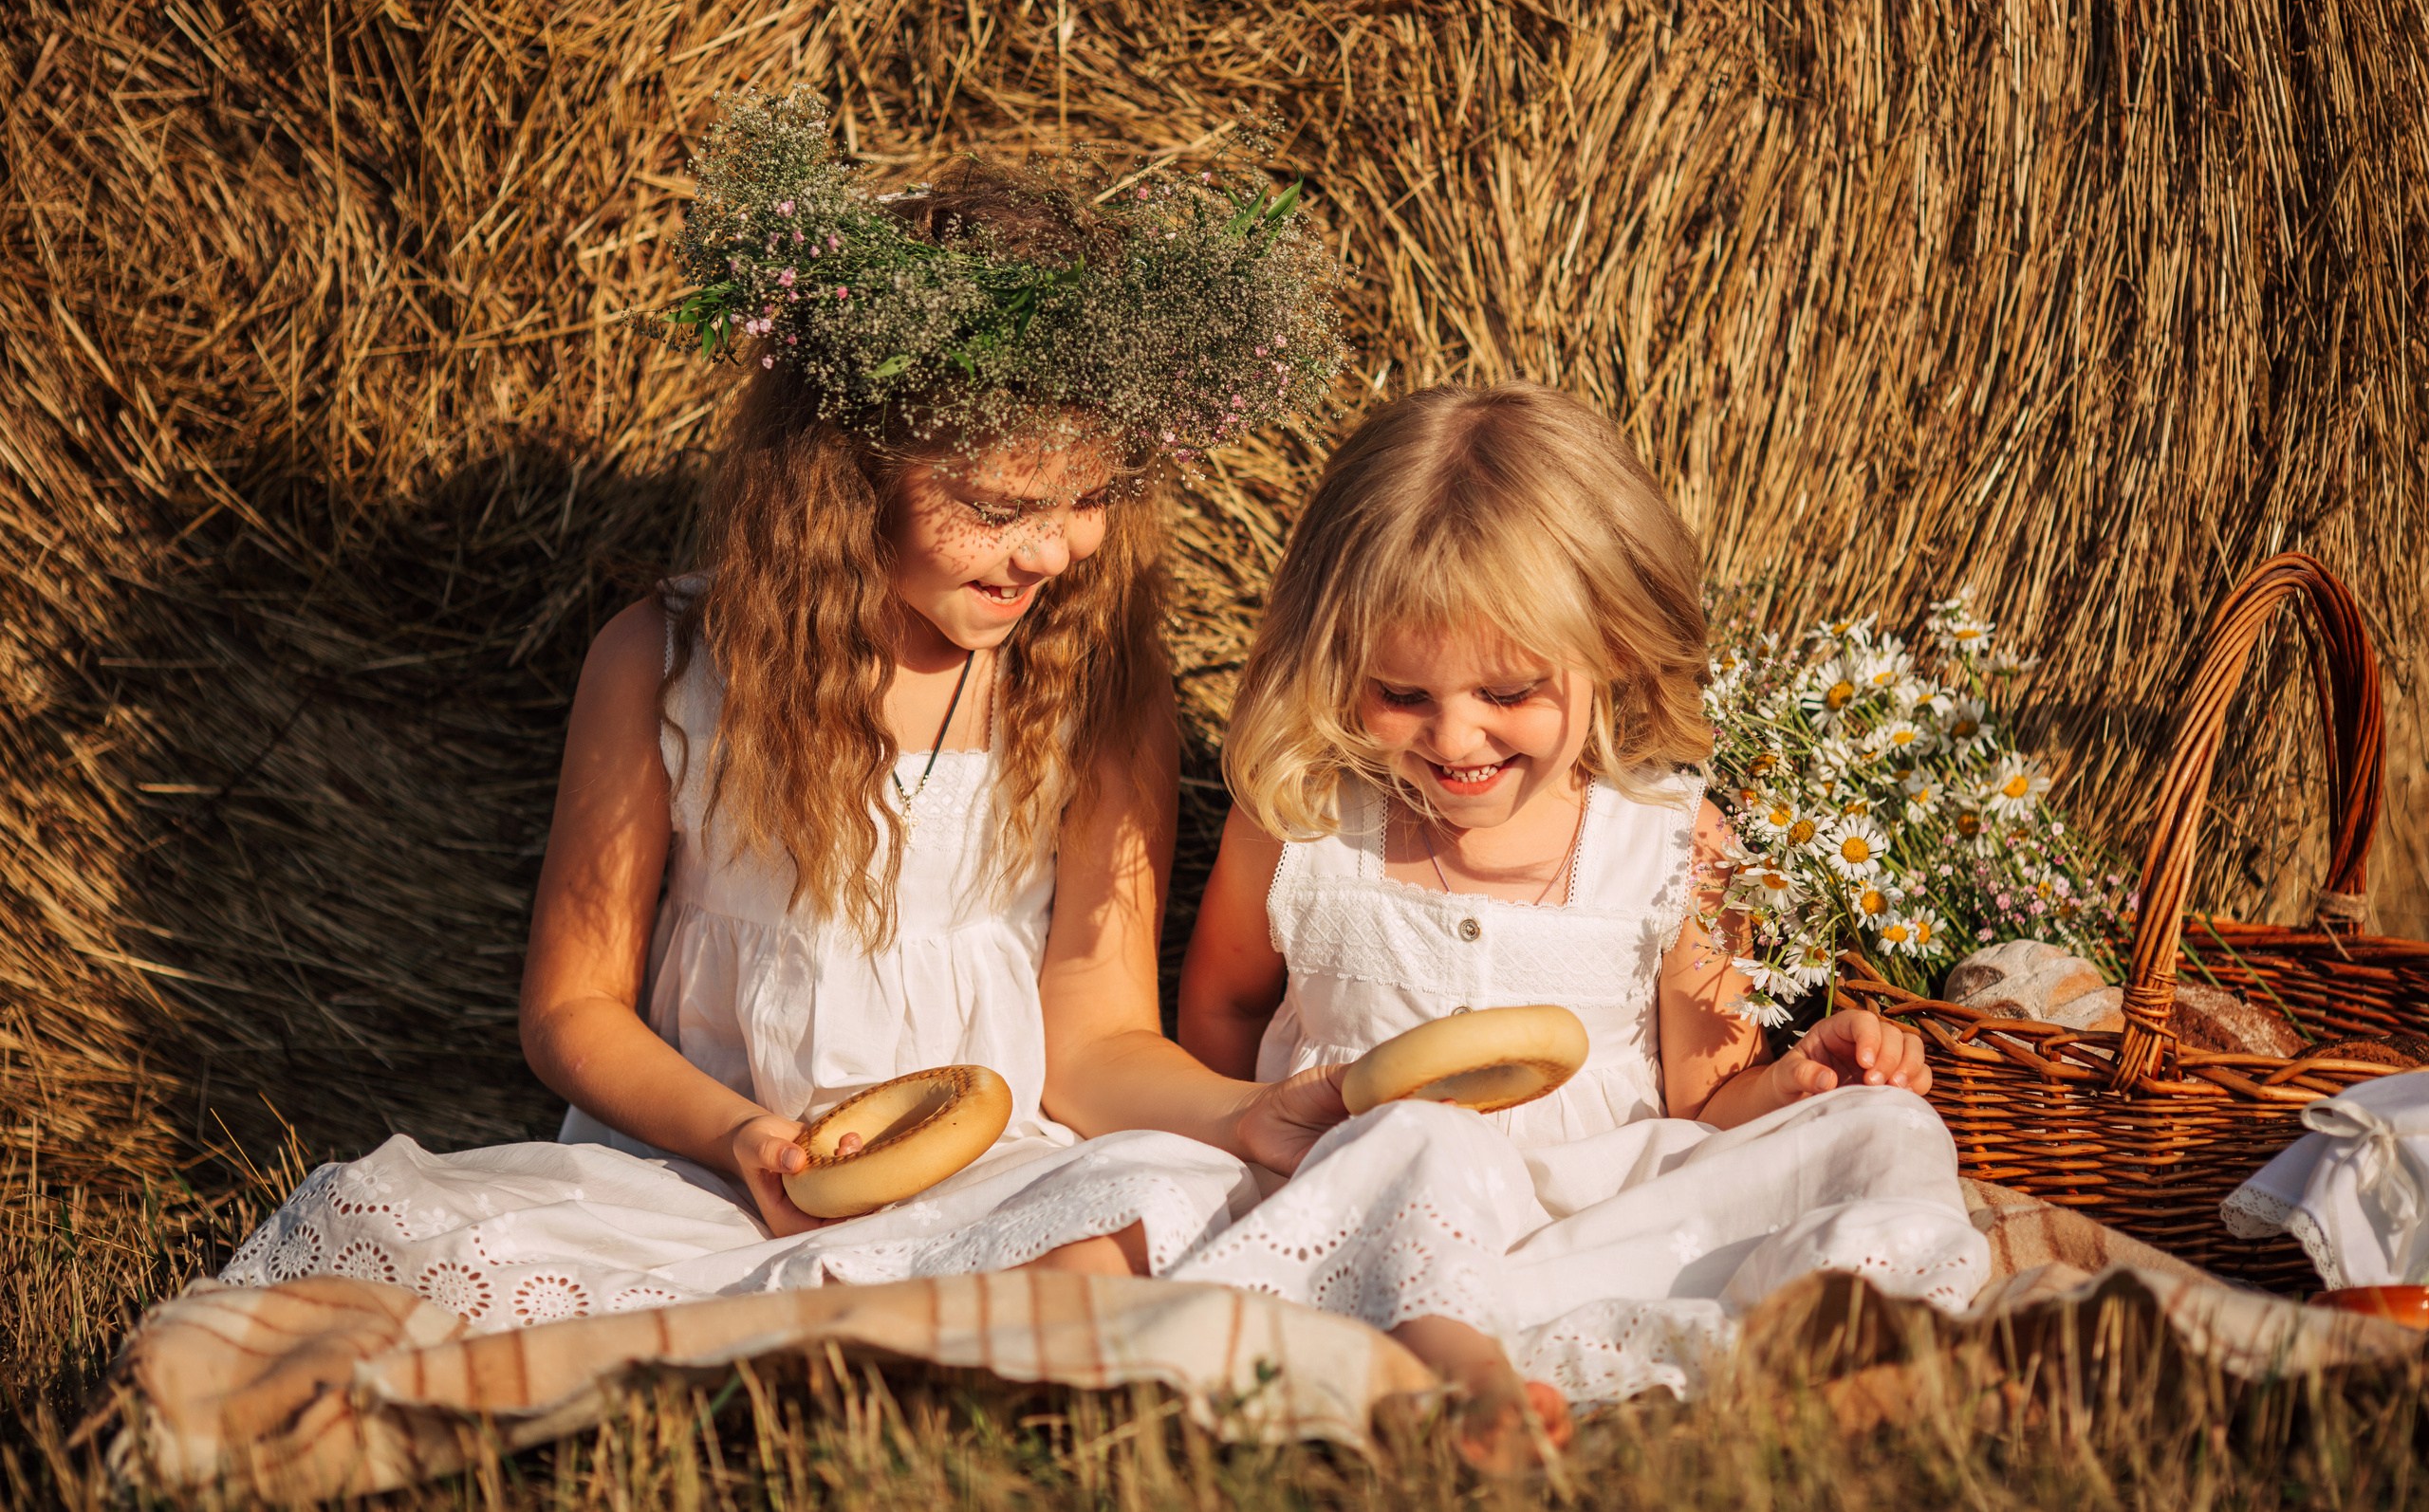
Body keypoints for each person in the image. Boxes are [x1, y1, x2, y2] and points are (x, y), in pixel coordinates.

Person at [219, 90, 1352, 1329]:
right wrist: (741, 1137)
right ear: (849, 473)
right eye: (994, 507)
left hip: (994, 1176)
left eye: (1088, 501)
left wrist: (1239, 1114)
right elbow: (570, 1008)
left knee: (1157, 1211)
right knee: (404, 1263)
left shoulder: (1092, 692)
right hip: (705, 1171)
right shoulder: (663, 667)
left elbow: (1092, 1039)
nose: (1048, 551)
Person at [1167, 380, 1990, 1466]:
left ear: (1615, 645)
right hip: (1375, 1225)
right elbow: (1223, 1010)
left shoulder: (1671, 843)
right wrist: (1238, 1156)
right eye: (1402, 695)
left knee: (1885, 1133)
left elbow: (1705, 1105)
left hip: (1603, 1225)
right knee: (1423, 1133)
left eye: (1507, 693)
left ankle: (1854, 1338)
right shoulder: (1307, 821)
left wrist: (1795, 1085)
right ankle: (1465, 1384)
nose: (1455, 737)